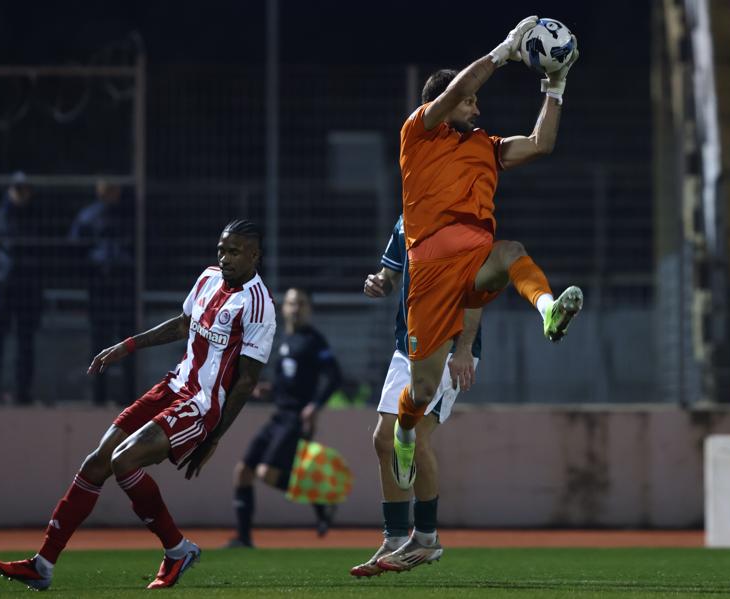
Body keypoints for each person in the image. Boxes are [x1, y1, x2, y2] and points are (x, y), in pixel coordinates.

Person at [386, 16, 582, 570]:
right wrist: (504, 51)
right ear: (446, 104)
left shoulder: (486, 147)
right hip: (429, 272)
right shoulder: (419, 134)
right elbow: (456, 91)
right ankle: (405, 431)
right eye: (470, 103)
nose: (477, 108)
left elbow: (541, 143)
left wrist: (556, 86)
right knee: (422, 391)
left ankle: (548, 309)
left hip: (474, 261)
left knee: (512, 250)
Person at [0, 219, 276, 591]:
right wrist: (127, 346)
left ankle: (177, 550)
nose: (225, 258)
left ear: (254, 255)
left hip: (201, 405)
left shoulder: (258, 305)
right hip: (172, 387)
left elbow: (247, 381)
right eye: (221, 249)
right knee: (96, 462)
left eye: (234, 251)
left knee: (123, 460)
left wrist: (214, 437)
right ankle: (42, 565)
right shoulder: (208, 277)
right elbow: (182, 325)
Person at [350, 215, 482, 577]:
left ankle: (425, 538)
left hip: (447, 346)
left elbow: (476, 291)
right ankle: (394, 539)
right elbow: (390, 274)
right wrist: (379, 282)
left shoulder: (463, 216)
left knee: (415, 435)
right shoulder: (406, 218)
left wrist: (465, 348)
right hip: (407, 343)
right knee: (384, 439)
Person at [227, 287, 342, 548]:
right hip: (278, 416)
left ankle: (320, 499)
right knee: (243, 471)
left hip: (294, 419)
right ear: (283, 308)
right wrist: (268, 390)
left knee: (266, 473)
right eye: (291, 303)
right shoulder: (284, 339)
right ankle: (243, 539)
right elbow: (289, 382)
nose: (295, 308)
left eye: (301, 303)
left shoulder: (314, 341)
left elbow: (335, 377)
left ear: (309, 309)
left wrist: (314, 406)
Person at [0, 172, 44, 406]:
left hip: (27, 288)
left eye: (25, 189)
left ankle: (23, 392)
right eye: (17, 189)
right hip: (2, 287)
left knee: (25, 344)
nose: (21, 194)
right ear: (9, 190)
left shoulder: (35, 220)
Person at [69, 179, 135, 405]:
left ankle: (128, 395)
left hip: (124, 285)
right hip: (100, 286)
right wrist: (91, 270)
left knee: (128, 342)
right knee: (100, 341)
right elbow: (75, 249)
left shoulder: (129, 216)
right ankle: (99, 395)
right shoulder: (89, 217)